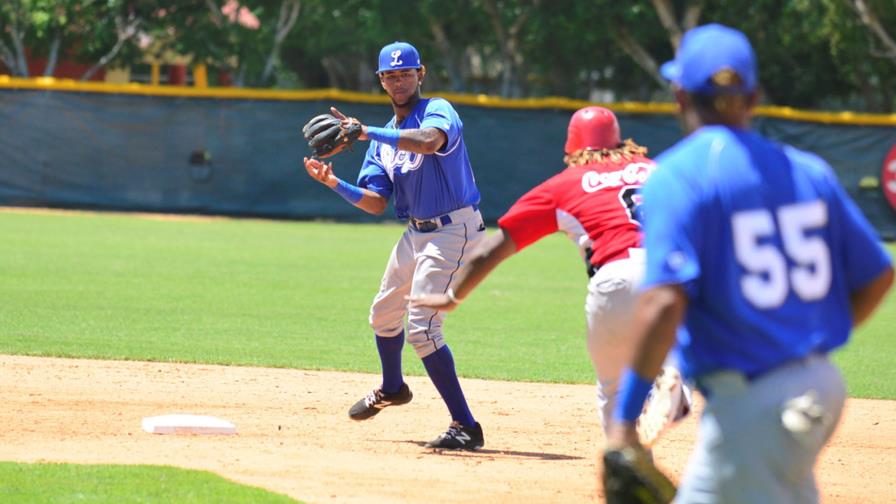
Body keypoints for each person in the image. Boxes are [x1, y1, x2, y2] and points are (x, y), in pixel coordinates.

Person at [606, 24, 894, 502]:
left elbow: (663, 304)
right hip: (819, 384)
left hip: (754, 405)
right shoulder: (808, 170)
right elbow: (878, 275)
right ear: (755, 96)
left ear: (679, 95)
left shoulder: (677, 177)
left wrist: (624, 422)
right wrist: (804, 338)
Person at [411, 106, 691, 446]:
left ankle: (629, 466)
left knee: (613, 391)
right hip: (672, 277)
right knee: (672, 344)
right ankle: (671, 377)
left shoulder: (564, 185)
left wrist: (452, 297)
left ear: (572, 148)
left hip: (614, 278)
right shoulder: (658, 171)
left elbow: (491, 249)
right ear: (620, 141)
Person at [303, 41, 487, 450]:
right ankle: (392, 387)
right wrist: (334, 183)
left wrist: (366, 130)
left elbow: (426, 142)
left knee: (423, 328)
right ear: (381, 81)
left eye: (406, 73)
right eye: (390, 75)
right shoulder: (380, 142)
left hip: (454, 231)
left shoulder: (439, 110)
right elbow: (375, 202)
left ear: (420, 75)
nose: (399, 80)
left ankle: (465, 426)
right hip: (417, 233)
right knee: (383, 315)